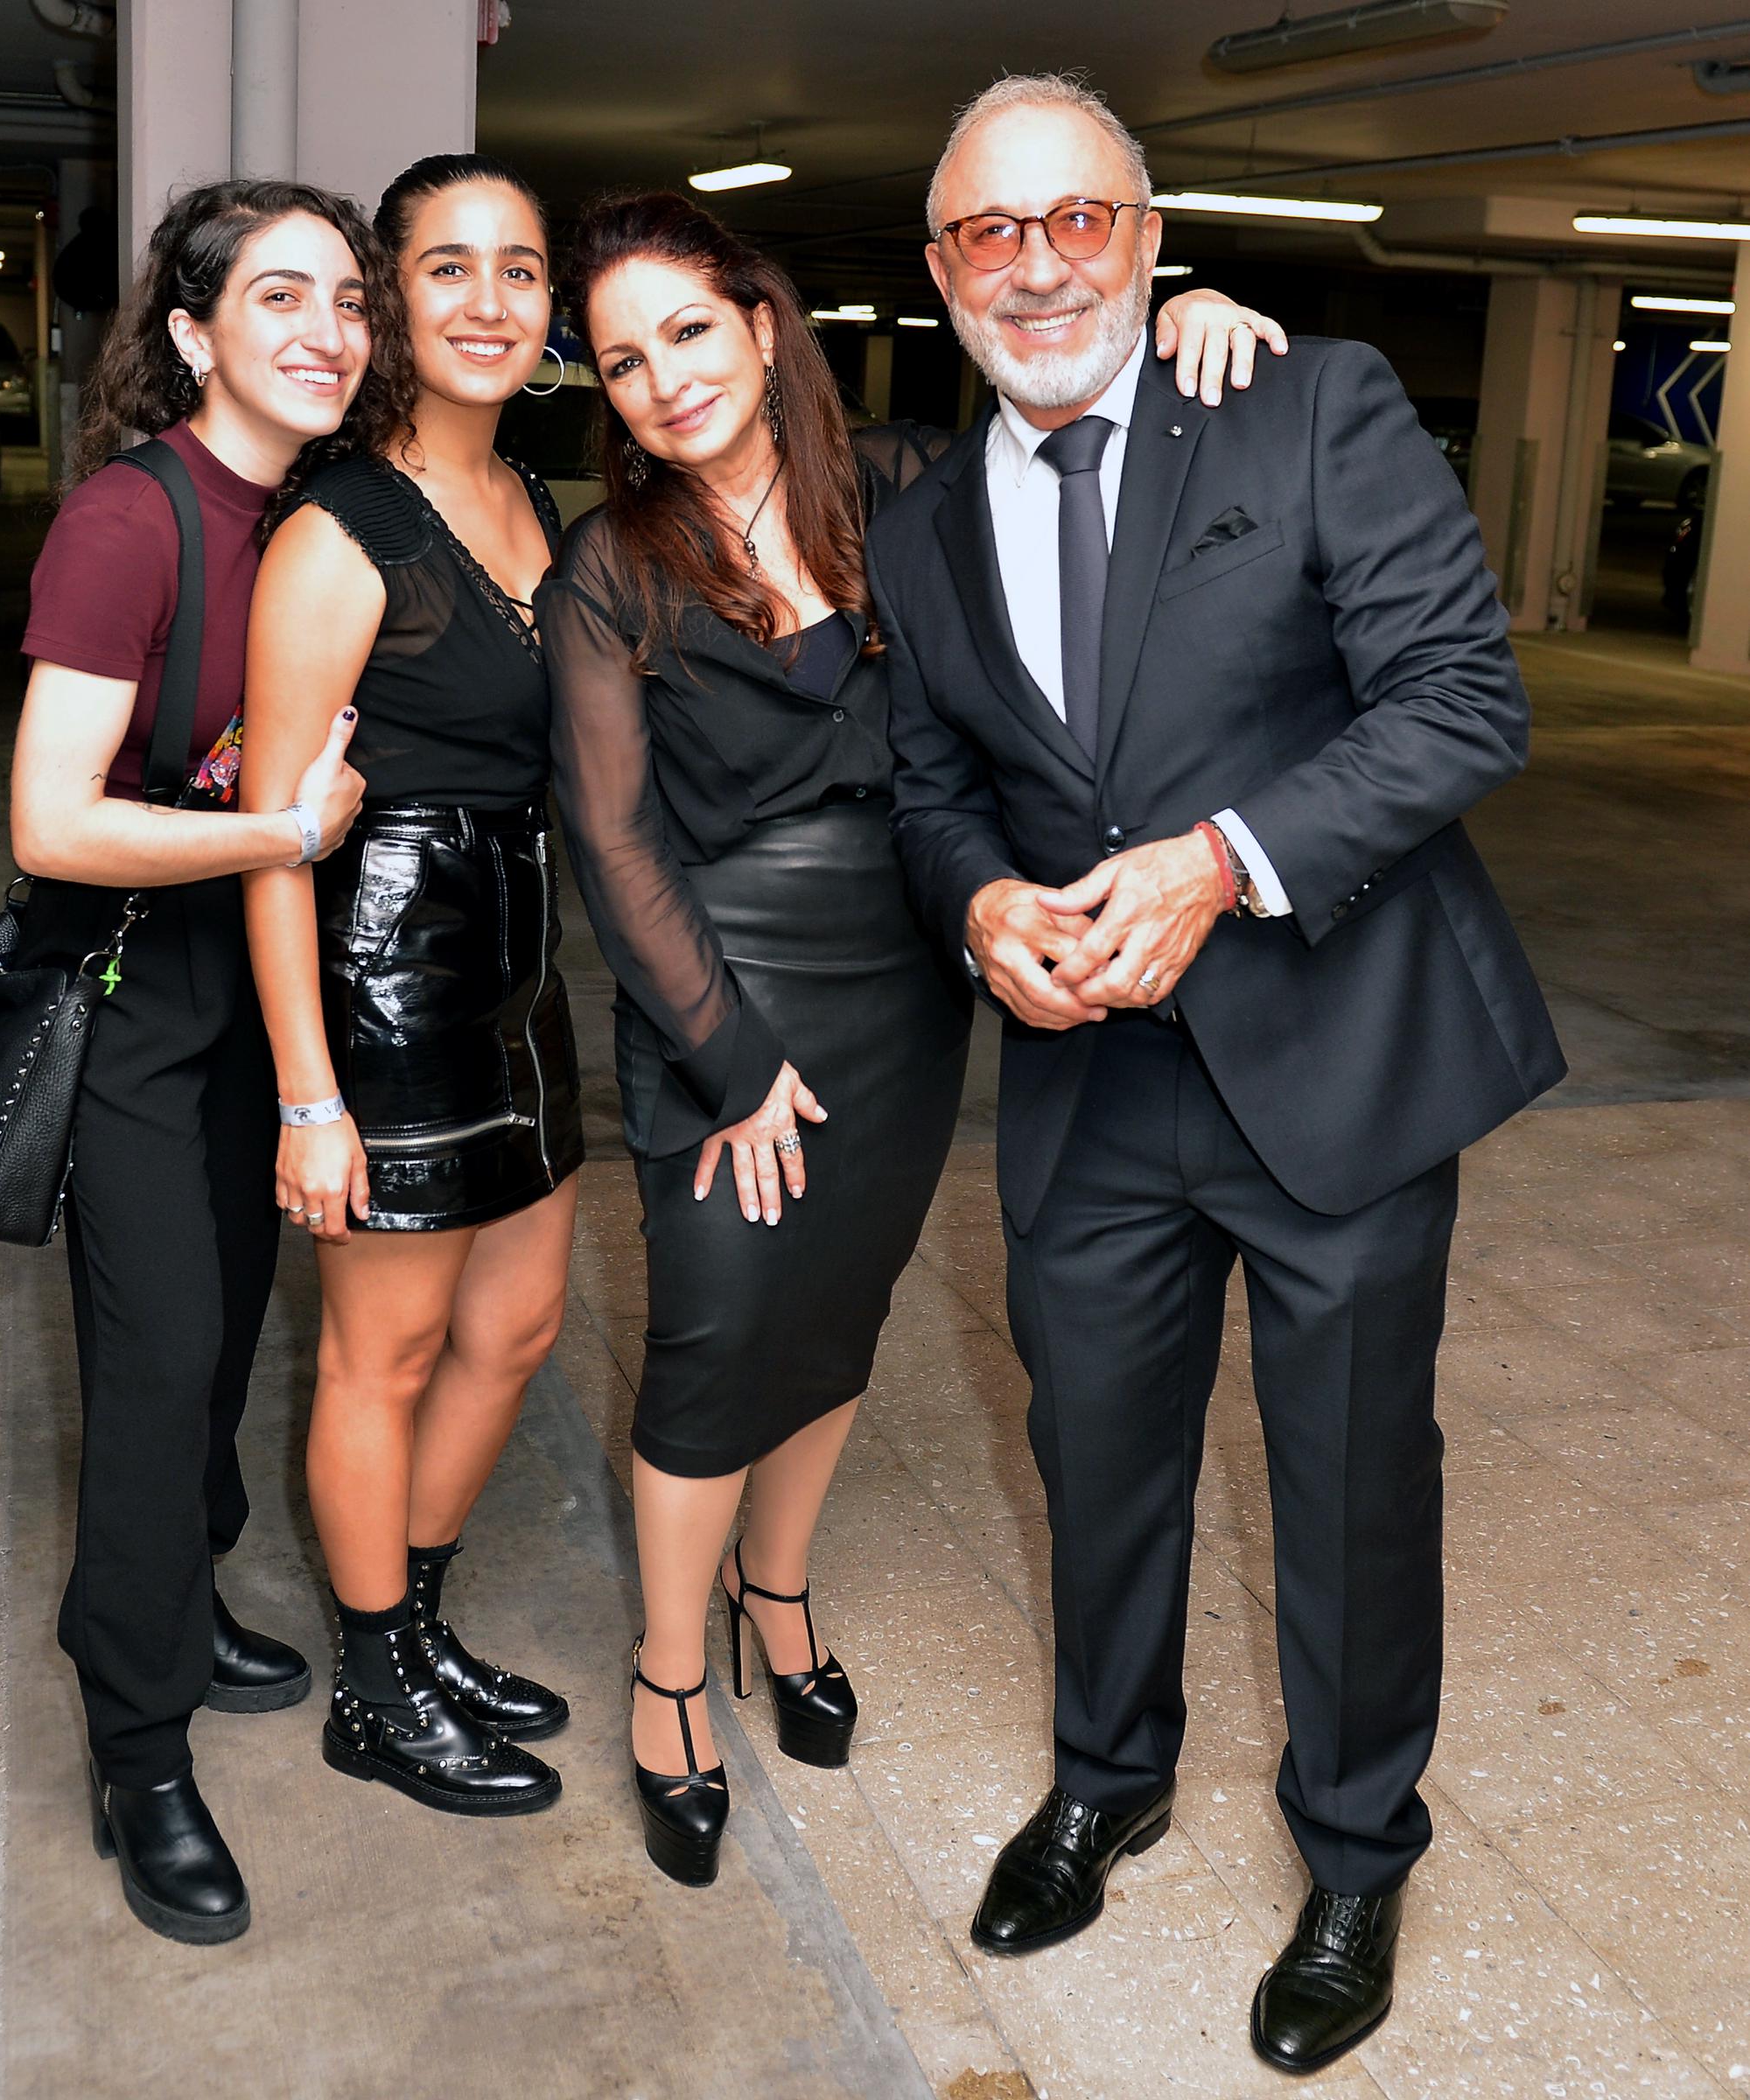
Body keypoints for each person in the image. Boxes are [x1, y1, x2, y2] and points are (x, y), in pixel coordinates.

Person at [867, 74, 1565, 2071]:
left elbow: (1461, 697)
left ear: (1151, 233)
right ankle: (1108, 1776)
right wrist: (989, 906)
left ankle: (1353, 1855)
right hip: (1092, 1087)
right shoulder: (918, 531)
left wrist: (1223, 862)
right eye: (989, 234)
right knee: (1094, 1455)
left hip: (1335, 1056)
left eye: (1076, 218)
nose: (1038, 266)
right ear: (940, 274)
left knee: (1350, 1487)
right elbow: (934, 795)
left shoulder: (1303, 403)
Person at [540, 190, 1285, 1887]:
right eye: (625, 358)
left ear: (763, 324)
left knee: (835, 1312)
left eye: (688, 333)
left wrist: (1186, 330)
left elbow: (1099, 452)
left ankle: (778, 1597)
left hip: (904, 976)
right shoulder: (608, 571)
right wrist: (727, 1056)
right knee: (719, 1334)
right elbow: (617, 841)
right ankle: (669, 1681)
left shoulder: (900, 488)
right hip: (718, 996)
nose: (662, 379)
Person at [10, 178, 384, 1943]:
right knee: (158, 1373)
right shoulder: (126, 523)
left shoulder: (310, 515)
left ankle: (174, 1599)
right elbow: (51, 822)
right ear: (191, 333)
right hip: (144, 1010)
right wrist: (281, 839)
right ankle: (137, 1737)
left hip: (257, 1000)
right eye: (285, 296)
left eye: (349, 302)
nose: (329, 331)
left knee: (228, 1327)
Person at [239, 154, 581, 1818]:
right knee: (384, 1351)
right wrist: (310, 1092)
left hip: (521, 965)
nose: (488, 302)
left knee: (513, 1329)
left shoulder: (542, 502)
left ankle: (417, 1622)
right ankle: (372, 1688)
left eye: (519, 270)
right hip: (386, 960)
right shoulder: (332, 529)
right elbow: (272, 839)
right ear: (391, 301)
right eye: (447, 269)